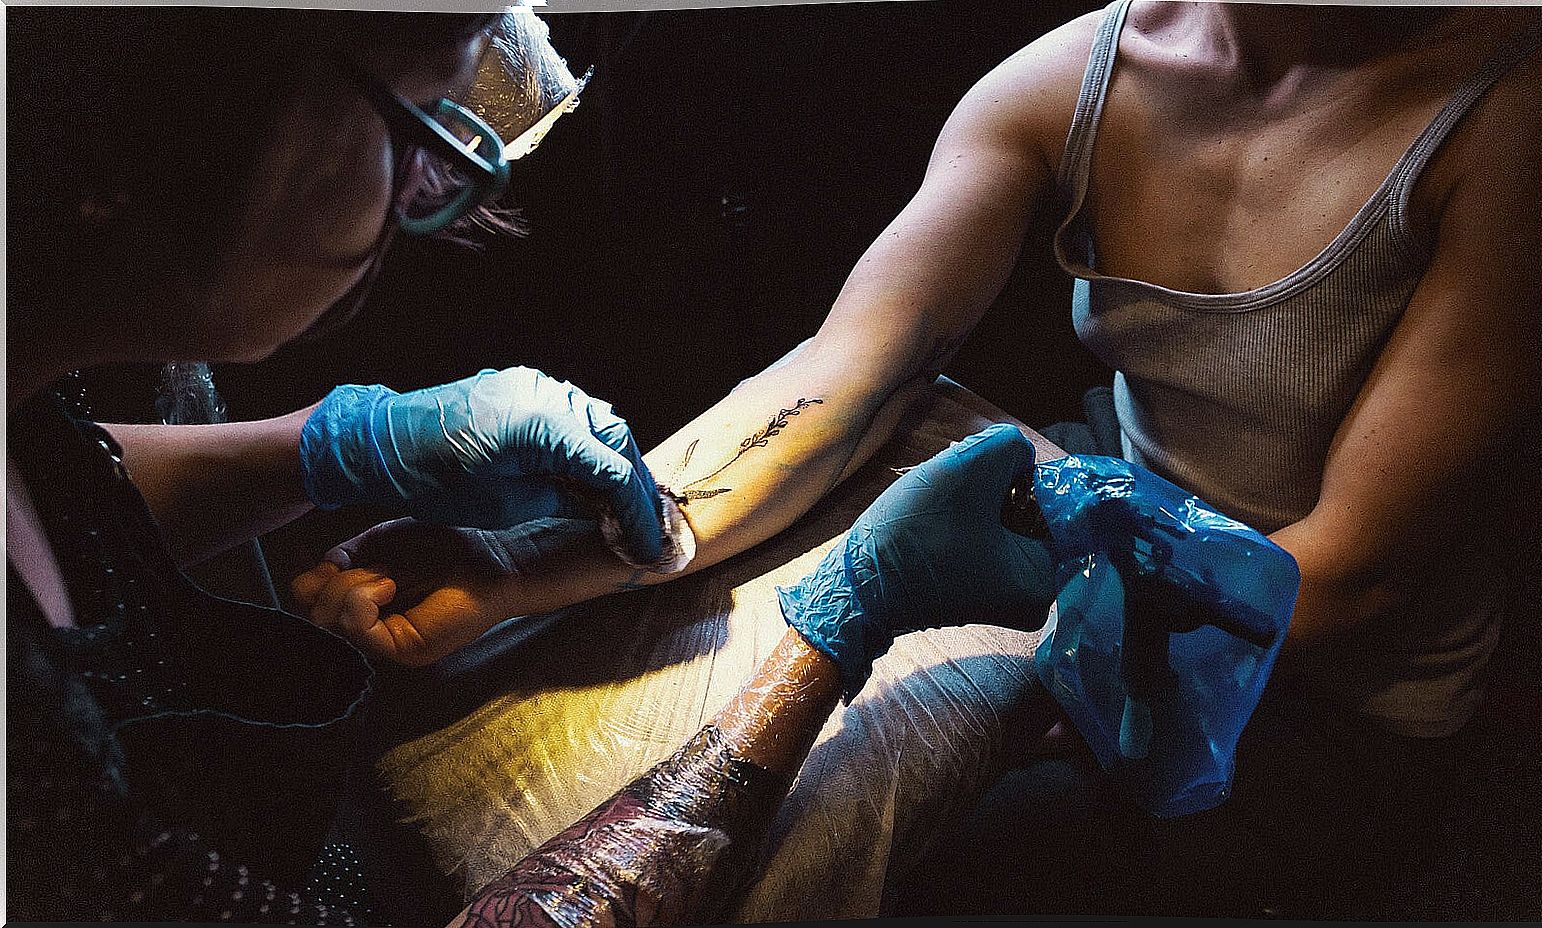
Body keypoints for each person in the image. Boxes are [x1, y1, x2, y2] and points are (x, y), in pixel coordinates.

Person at [299, 1, 1542, 918]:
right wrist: (529, 567)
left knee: (911, 845)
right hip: (1107, 518)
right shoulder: (1080, 75)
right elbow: (838, 385)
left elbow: (1354, 576)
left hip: (1329, 692)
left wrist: (1048, 632)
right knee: (835, 483)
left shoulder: (1502, 112)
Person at [7, 5, 1065, 925]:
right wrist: (834, 631)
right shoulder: (35, 773)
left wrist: (335, 446)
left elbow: (52, 485)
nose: (440, 184)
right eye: (419, 114)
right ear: (181, 108)